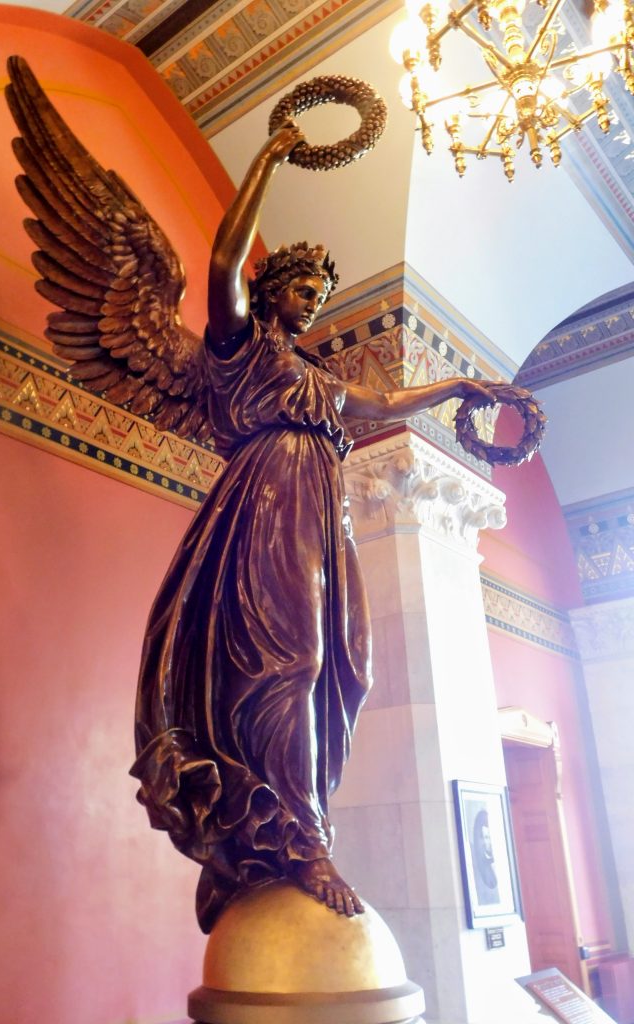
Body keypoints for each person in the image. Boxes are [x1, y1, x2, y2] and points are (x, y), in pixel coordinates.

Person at [131, 125, 496, 934]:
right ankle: (298, 839)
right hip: (262, 510)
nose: (313, 301)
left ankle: (280, 827)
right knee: (287, 658)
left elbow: (386, 405)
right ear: (272, 291)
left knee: (345, 667)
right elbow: (224, 264)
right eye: (302, 287)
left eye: (321, 296)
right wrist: (271, 157)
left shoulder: (323, 381)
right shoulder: (239, 350)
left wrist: (455, 385)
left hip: (321, 522)